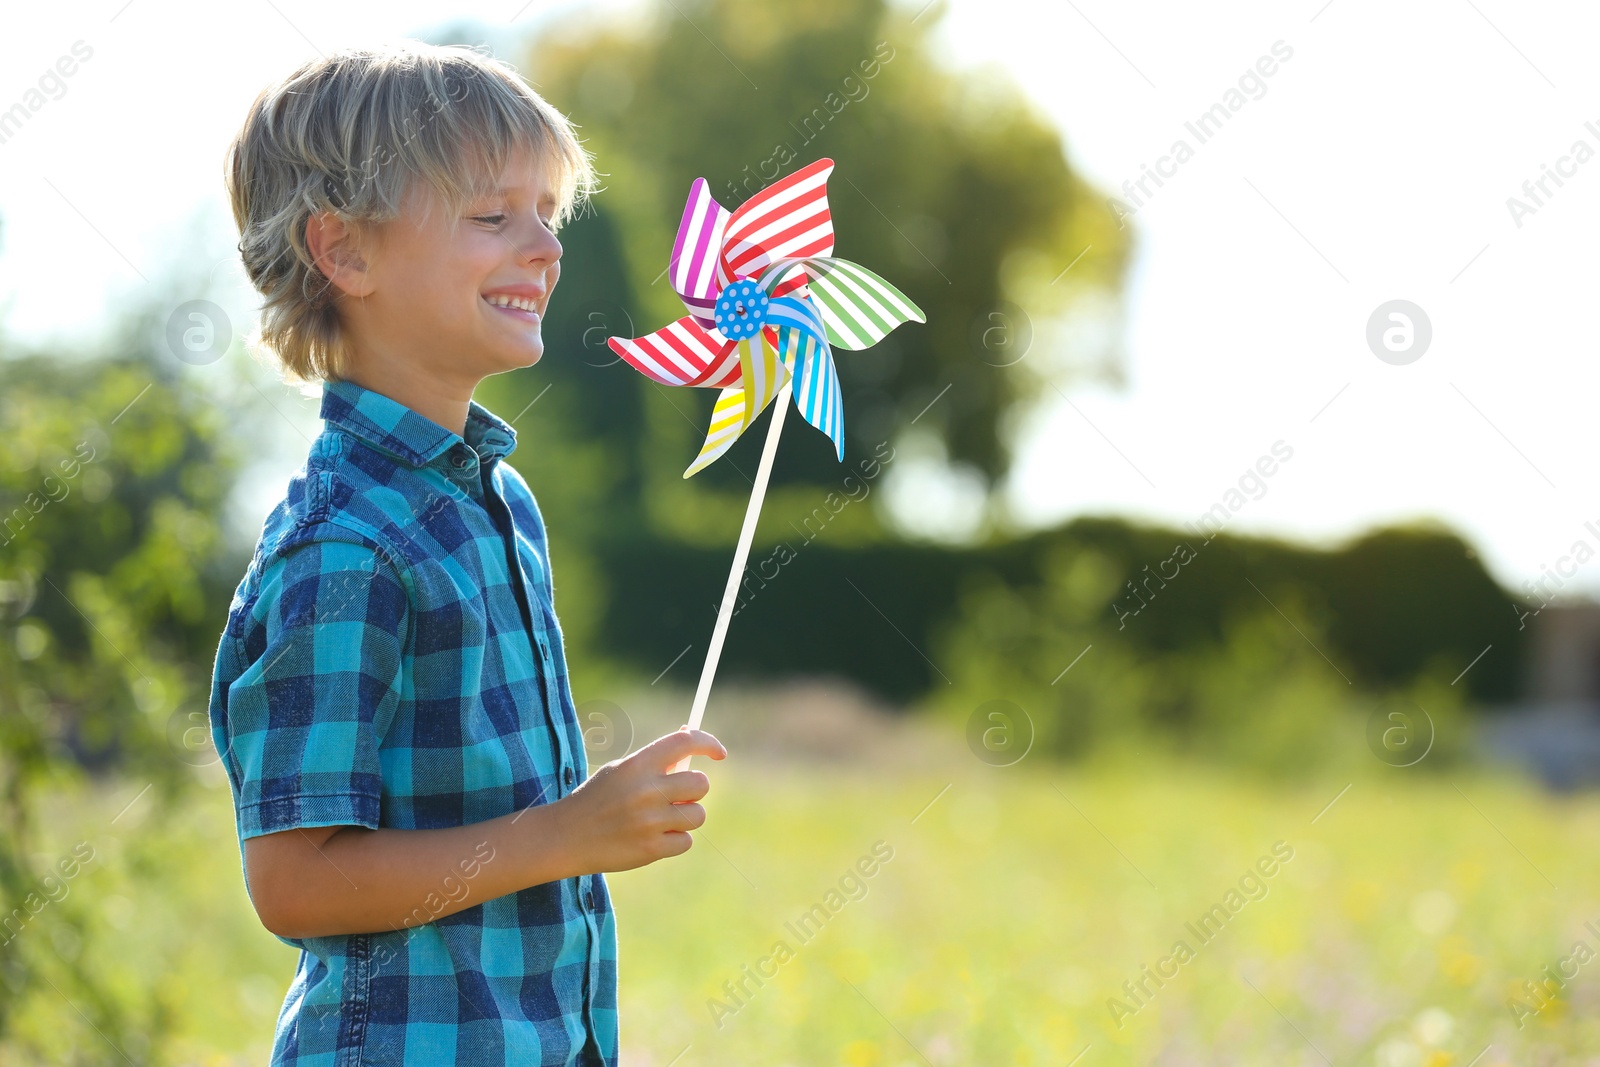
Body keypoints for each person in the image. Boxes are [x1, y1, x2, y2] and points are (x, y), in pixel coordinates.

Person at [208, 40, 726, 1066]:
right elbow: (295, 879)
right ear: (345, 253)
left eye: (548, 212)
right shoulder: (343, 547)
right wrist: (568, 835)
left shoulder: (499, 502)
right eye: (494, 216)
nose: (545, 244)